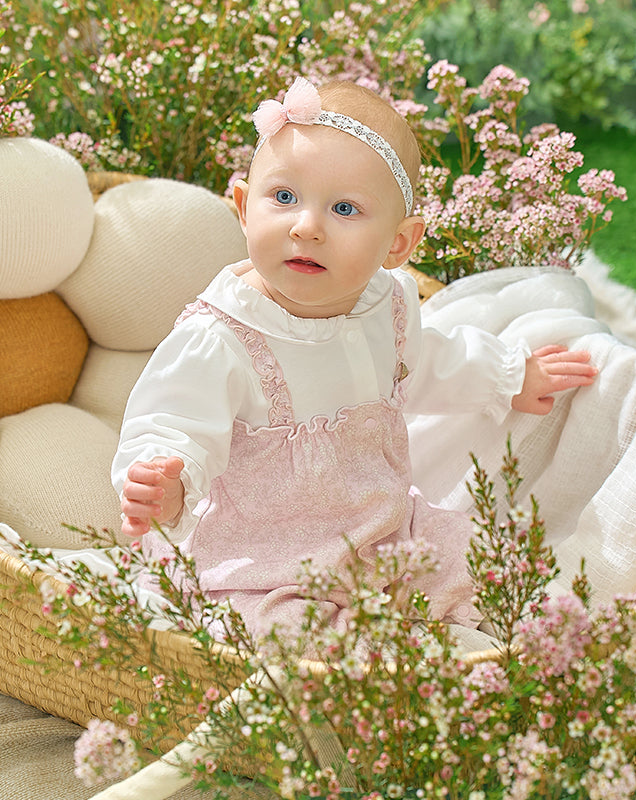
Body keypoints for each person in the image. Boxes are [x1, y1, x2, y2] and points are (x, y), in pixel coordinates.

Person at [111, 77, 597, 637]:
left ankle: (559, 643)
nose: (306, 226)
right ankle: (376, 674)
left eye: (344, 208)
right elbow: (170, 421)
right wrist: (163, 480)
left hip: (387, 530)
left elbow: (431, 361)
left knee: (490, 564)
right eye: (284, 197)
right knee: (278, 636)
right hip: (262, 564)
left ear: (399, 243)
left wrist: (510, 375)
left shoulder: (387, 306)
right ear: (244, 207)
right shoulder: (220, 338)